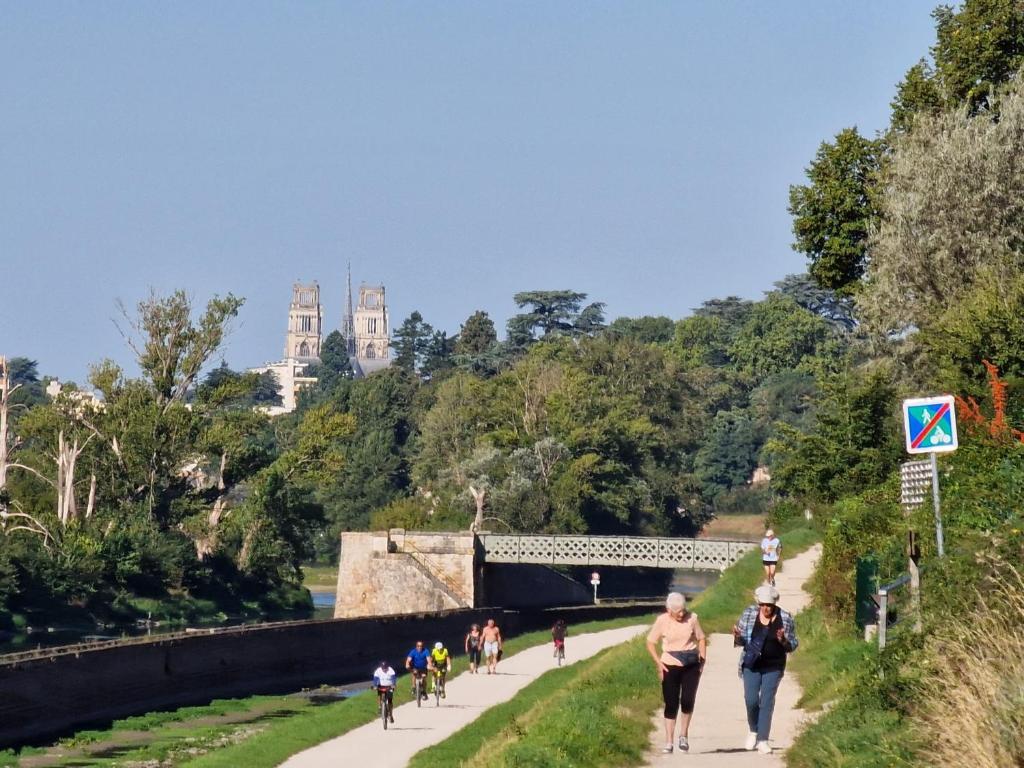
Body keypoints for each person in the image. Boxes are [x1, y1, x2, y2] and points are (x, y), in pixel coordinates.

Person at [732, 584, 799, 755]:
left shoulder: (784, 617)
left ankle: (763, 739)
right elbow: (741, 642)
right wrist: (738, 636)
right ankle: (753, 730)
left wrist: (783, 639)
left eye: (768, 605)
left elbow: (791, 646)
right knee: (751, 700)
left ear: (774, 604)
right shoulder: (749, 614)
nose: (765, 608)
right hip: (751, 664)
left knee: (767, 702)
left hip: (773, 666)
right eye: (762, 604)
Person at [646, 592, 707, 754]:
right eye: (677, 611)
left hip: (690, 665)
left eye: (682, 610)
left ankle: (683, 735)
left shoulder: (692, 618)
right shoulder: (662, 621)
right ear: (669, 610)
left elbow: (701, 638)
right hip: (669, 665)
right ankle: (668, 741)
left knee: (687, 700)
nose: (681, 614)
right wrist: (658, 663)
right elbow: (650, 642)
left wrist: (703, 660)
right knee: (671, 703)